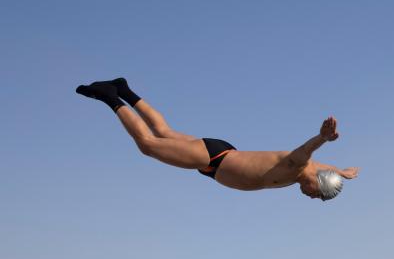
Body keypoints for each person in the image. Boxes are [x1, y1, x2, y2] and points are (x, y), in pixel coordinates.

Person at [76, 79, 359, 201]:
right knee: (148, 145)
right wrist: (322, 137)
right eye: (317, 194)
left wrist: (342, 172)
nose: (312, 197)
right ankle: (109, 96)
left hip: (217, 158)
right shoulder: (297, 165)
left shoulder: (307, 173)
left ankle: (125, 88)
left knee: (164, 132)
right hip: (214, 159)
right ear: (317, 182)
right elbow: (306, 152)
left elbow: (319, 164)